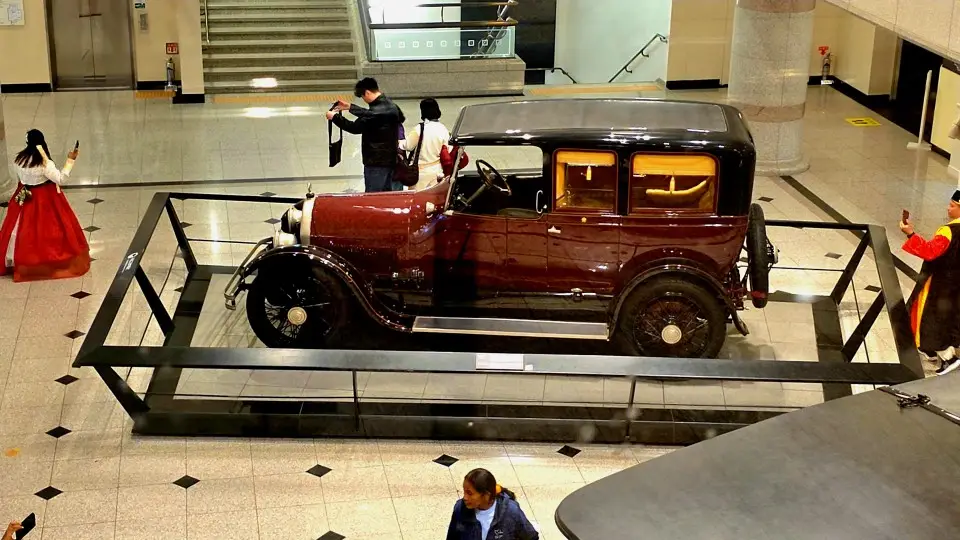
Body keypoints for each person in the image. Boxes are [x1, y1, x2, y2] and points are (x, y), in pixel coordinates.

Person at [0, 129, 90, 282]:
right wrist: (70, 160)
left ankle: (19, 261)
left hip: (24, 196)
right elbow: (61, 179)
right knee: (49, 228)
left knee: (20, 228)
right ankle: (48, 261)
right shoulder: (44, 163)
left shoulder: (19, 160)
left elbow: (20, 179)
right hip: (44, 199)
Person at [900, 190, 960, 375]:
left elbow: (929, 251)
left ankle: (948, 358)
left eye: (952, 205)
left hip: (940, 283)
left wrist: (910, 233)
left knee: (930, 319)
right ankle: (930, 350)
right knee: (951, 318)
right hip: (956, 283)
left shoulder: (949, 231)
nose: (948, 208)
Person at [326, 77, 403, 192]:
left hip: (376, 161)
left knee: (373, 197)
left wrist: (335, 118)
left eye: (362, 96)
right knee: (386, 195)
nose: (363, 99)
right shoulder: (390, 104)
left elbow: (355, 127)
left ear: (367, 92)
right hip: (390, 158)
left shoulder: (376, 112)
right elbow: (371, 114)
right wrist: (350, 107)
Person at [447, 468, 538, 540]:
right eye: (464, 492)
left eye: (470, 493)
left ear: (486, 495)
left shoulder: (511, 511)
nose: (465, 498)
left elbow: (531, 537)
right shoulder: (460, 508)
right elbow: (452, 537)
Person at [399, 98, 451, 190]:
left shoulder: (419, 128)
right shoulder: (443, 129)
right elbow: (448, 149)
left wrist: (399, 142)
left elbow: (408, 146)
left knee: (418, 200)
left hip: (420, 173)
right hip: (437, 171)